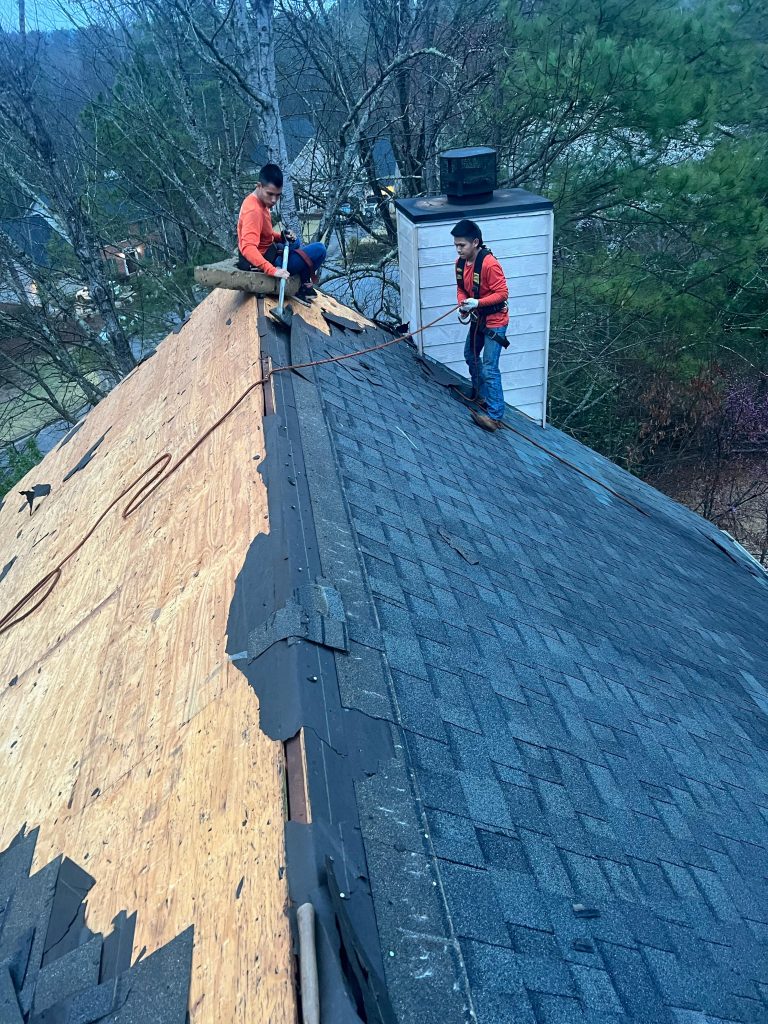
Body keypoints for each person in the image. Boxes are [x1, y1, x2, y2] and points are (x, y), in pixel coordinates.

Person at [451, 218, 509, 432]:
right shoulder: (460, 265)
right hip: (478, 318)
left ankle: (495, 417)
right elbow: (461, 290)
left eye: (462, 245)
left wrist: (479, 303)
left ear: (475, 242)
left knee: (490, 367)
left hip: (495, 321)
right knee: (470, 355)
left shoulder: (489, 264)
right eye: (456, 245)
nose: (458, 250)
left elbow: (502, 293)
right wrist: (463, 305)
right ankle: (482, 395)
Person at [237, 163, 326, 297]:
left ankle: (301, 277)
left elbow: (264, 234)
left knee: (295, 242)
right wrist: (272, 270)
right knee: (320, 250)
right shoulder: (253, 211)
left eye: (278, 195)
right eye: (270, 194)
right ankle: (301, 285)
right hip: (268, 261)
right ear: (259, 186)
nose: (274, 200)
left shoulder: (260, 201)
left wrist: (280, 236)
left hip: (271, 251)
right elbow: (247, 247)